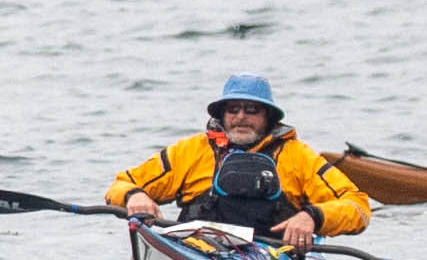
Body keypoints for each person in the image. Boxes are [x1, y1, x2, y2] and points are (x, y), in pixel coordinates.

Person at [110, 75, 370, 248]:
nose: (241, 117)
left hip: (274, 256)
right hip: (198, 250)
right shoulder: (189, 151)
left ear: (268, 116)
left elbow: (357, 207)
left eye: (252, 110)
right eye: (233, 109)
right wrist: (134, 196)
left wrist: (313, 216)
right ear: (222, 115)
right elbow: (122, 184)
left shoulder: (298, 157)